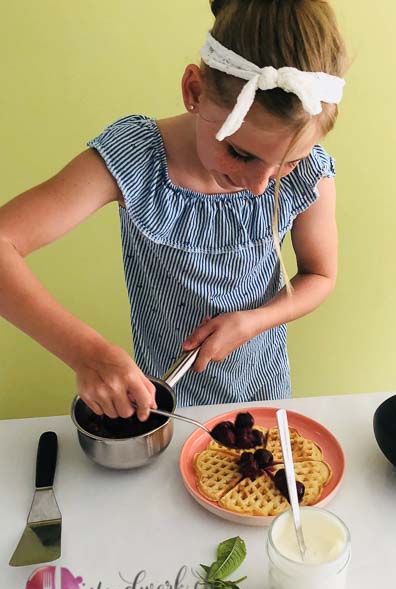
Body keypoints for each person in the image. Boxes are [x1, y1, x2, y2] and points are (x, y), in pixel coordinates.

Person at [0, 0, 348, 422]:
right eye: (239, 153)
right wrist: (87, 354)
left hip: (262, 393)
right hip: (163, 399)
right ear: (195, 92)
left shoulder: (310, 171)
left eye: (287, 162)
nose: (260, 186)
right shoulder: (135, 157)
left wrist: (255, 321)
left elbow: (320, 275)